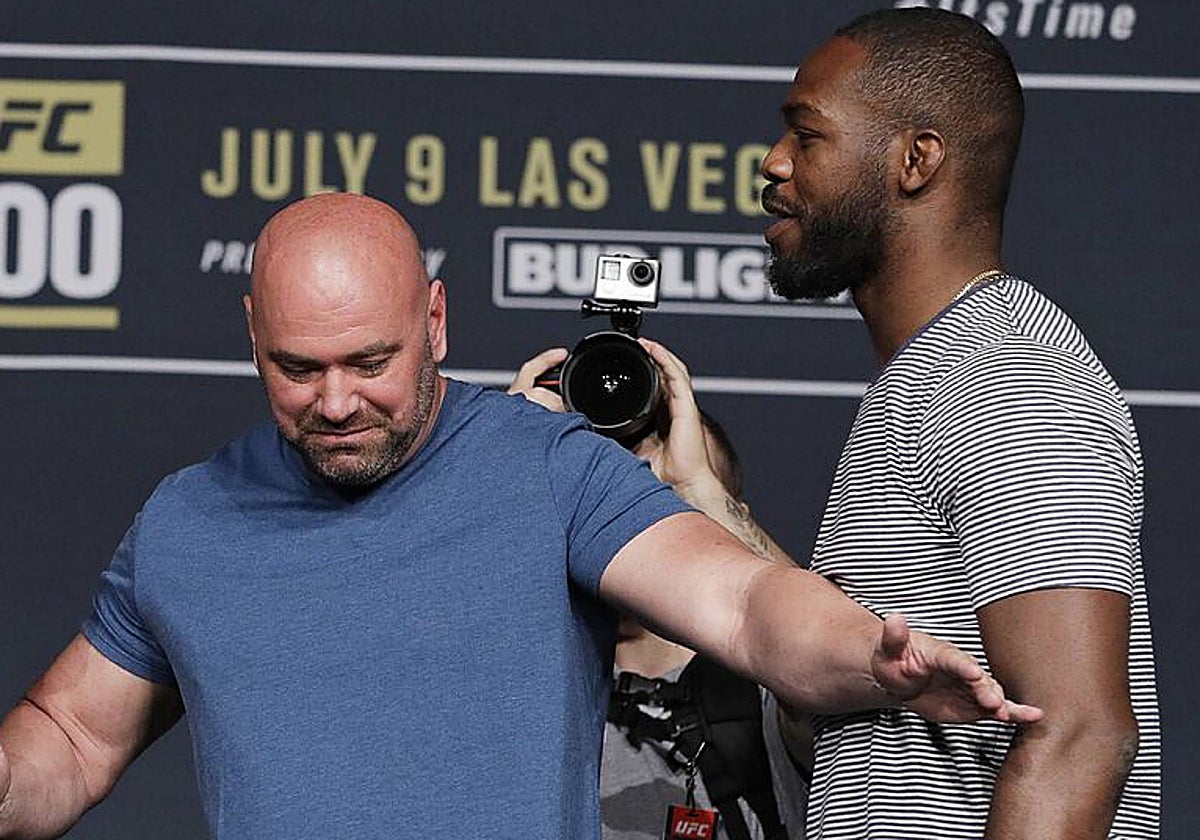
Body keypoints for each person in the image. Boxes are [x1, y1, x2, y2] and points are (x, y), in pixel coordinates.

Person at [0, 193, 1039, 840]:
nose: (335, 401)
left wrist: (869, 651)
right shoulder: (188, 521)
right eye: (297, 367)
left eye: (371, 363)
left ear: (436, 323)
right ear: (250, 335)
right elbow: (72, 739)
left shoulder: (548, 467)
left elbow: (744, 606)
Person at [657, 8, 1158, 839]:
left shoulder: (1009, 378)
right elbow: (869, 658)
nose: (772, 165)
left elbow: (1078, 736)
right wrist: (705, 497)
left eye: (806, 136)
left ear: (916, 160)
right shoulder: (934, 375)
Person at [509, 356, 806, 840]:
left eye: (666, 499)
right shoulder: (513, 682)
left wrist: (698, 488)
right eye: (612, 490)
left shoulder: (765, 692)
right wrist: (499, 469)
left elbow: (846, 678)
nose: (637, 517)